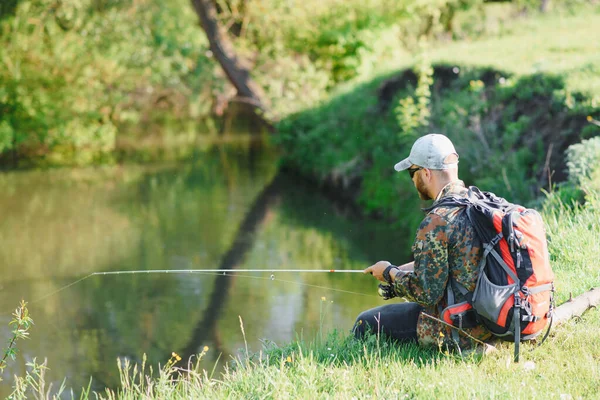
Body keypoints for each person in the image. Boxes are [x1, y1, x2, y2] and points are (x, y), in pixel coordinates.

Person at [353, 133, 490, 349]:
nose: (412, 180)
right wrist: (398, 271)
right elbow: (451, 264)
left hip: (460, 328)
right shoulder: (478, 203)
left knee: (365, 322)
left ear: (426, 173)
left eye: (412, 172)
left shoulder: (438, 221)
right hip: (490, 318)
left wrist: (389, 273)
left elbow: (427, 294)